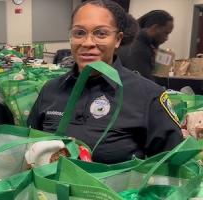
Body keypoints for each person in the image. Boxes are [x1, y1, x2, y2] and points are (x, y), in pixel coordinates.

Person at [27, 0, 183, 164]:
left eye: (101, 33)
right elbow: (29, 150)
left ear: (117, 39)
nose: (87, 43)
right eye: (79, 33)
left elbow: (171, 168)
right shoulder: (51, 90)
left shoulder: (148, 96)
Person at [117, 10, 174, 81]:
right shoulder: (139, 50)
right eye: (166, 33)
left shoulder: (141, 44)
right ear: (154, 28)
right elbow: (139, 84)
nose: (166, 38)